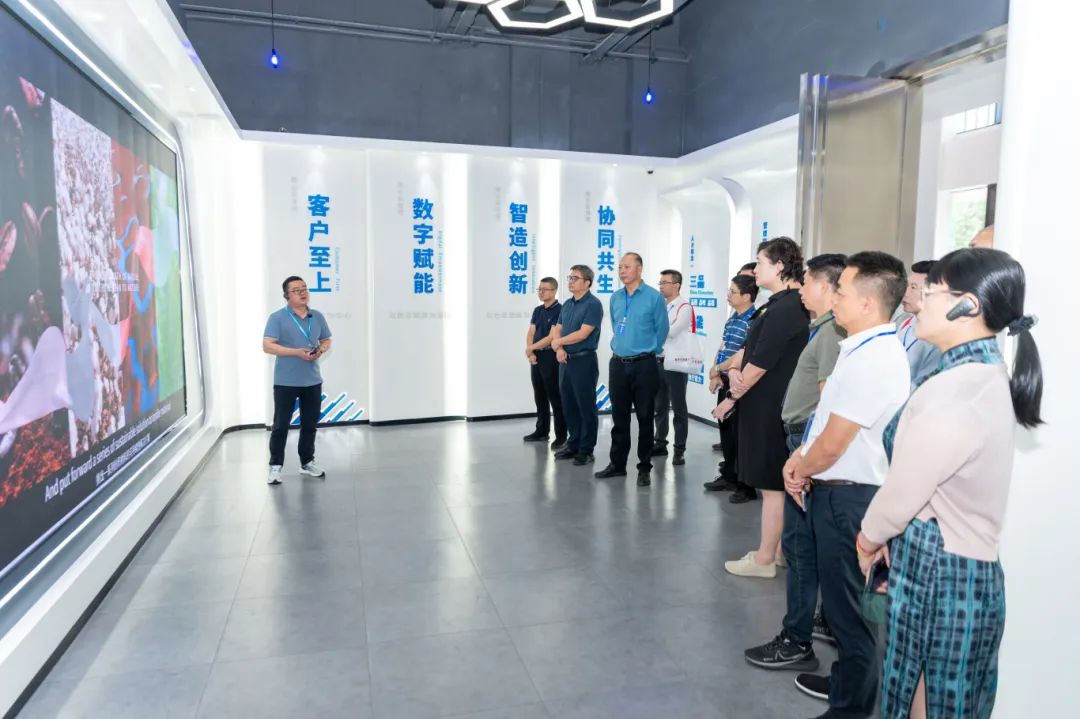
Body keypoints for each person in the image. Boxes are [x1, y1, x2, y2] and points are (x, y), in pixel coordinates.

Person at [857, 248, 1042, 719]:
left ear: (968, 306)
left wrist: (869, 537)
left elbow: (907, 487)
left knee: (932, 695)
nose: (917, 302)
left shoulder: (958, 387)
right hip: (953, 565)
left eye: (930, 292)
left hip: (942, 571)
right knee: (933, 694)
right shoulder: (976, 374)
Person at [782, 252, 910, 719]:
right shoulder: (857, 347)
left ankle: (851, 709)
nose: (833, 297)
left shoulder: (874, 357)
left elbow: (835, 443)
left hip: (851, 497)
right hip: (837, 490)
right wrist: (800, 457)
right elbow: (826, 422)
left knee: (852, 614)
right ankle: (846, 684)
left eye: (842, 291)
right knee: (841, 608)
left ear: (869, 303)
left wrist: (801, 468)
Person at [743, 253, 846, 672]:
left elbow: (828, 401)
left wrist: (804, 455)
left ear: (828, 287)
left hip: (810, 442)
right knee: (804, 545)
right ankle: (811, 627)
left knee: (809, 547)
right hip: (803, 439)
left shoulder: (833, 333)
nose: (801, 289)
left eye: (808, 282)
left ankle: (803, 638)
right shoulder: (820, 328)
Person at [714, 236, 808, 570]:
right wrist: (732, 370)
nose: (755, 269)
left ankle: (766, 558)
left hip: (772, 405)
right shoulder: (776, 305)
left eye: (761, 262)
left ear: (780, 265)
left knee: (772, 487)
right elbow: (751, 352)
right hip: (763, 402)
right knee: (774, 485)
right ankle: (777, 552)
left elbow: (762, 362)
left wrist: (731, 398)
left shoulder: (788, 308)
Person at [594, 253, 669, 487]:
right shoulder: (615, 297)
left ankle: (644, 467)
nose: (622, 271)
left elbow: (662, 330)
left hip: (645, 364)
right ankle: (617, 464)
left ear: (639, 269)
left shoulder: (654, 297)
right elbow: (617, 326)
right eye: (620, 267)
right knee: (619, 417)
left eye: (626, 267)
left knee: (645, 417)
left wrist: (647, 350)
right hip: (618, 364)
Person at [262, 276, 333, 485]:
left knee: (310, 424)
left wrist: (320, 349)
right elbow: (267, 346)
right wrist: (295, 352)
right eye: (296, 290)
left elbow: (327, 339)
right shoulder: (277, 318)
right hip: (286, 382)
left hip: (312, 380)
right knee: (281, 426)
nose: (302, 293)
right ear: (286, 296)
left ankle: (307, 462)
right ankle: (275, 466)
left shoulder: (316, 316)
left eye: (304, 288)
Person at [704, 274, 757, 493]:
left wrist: (717, 368)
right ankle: (729, 476)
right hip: (725, 381)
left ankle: (745, 485)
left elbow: (741, 357)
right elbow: (724, 347)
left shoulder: (754, 321)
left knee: (740, 436)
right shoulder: (733, 318)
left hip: (742, 385)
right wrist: (715, 373)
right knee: (726, 431)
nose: (728, 295)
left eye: (732, 292)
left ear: (746, 296)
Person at [550, 266, 603, 466]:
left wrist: (559, 342)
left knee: (585, 406)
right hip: (565, 360)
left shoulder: (593, 304)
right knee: (569, 404)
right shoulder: (567, 304)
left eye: (575, 278)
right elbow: (558, 329)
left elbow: (583, 333)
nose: (570, 281)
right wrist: (559, 348)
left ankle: (586, 450)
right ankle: (573, 444)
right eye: (569, 277)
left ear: (587, 282)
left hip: (584, 360)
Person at [652, 269, 692, 466]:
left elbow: (671, 331)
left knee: (678, 408)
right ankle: (660, 443)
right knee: (659, 407)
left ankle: (679, 449)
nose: (661, 286)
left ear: (676, 285)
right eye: (660, 282)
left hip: (676, 364)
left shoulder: (684, 307)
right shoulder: (659, 305)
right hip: (658, 361)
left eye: (665, 283)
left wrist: (654, 329)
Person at [523, 277, 566, 450]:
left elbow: (551, 336)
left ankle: (561, 436)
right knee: (539, 394)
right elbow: (531, 332)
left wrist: (531, 348)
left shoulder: (560, 310)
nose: (541, 292)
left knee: (555, 396)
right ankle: (541, 431)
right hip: (536, 356)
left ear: (554, 291)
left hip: (551, 356)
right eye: (539, 289)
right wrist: (531, 352)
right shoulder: (538, 310)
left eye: (545, 289)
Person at [896, 260, 943, 389]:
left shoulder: (940, 338)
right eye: (907, 286)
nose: (905, 293)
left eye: (913, 287)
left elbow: (926, 386)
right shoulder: (904, 321)